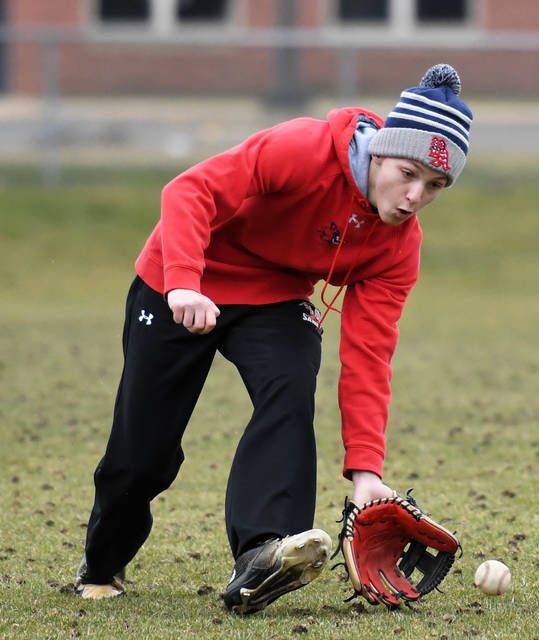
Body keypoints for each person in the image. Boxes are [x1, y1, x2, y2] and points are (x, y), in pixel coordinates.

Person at [74, 63, 473, 614]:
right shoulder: (304, 149)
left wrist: (366, 472)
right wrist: (185, 283)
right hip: (181, 276)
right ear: (380, 152)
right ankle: (102, 560)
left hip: (274, 295)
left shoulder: (398, 245)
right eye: (407, 174)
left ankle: (265, 551)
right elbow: (189, 190)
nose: (413, 197)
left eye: (433, 187)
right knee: (145, 446)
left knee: (291, 379)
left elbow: (369, 357)